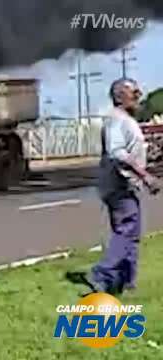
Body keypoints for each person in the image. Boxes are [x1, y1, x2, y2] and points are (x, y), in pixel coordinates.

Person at [67, 78, 161, 296]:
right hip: (119, 186)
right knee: (126, 230)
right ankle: (101, 275)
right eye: (134, 92)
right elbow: (117, 153)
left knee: (131, 233)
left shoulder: (124, 120)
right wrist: (145, 176)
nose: (139, 96)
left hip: (124, 186)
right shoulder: (117, 120)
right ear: (119, 97)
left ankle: (125, 281)